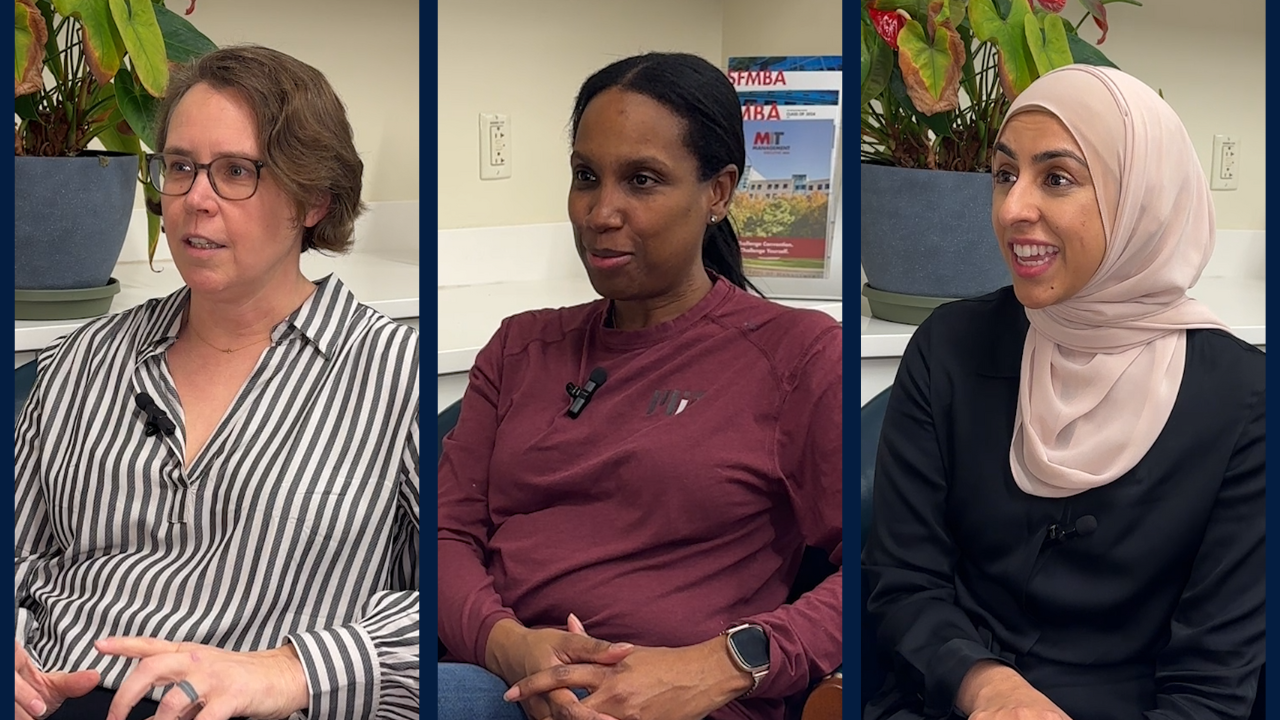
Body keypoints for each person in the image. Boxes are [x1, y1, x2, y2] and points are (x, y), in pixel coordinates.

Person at [14, 46, 420, 720]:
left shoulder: (395, 377)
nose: (195, 200)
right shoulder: (81, 362)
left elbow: (454, 604)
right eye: (180, 167)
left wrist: (291, 671)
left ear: (313, 198)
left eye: (236, 171)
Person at [437, 52, 843, 720]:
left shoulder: (796, 356)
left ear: (718, 192)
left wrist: (721, 664)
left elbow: (882, 573)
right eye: (585, 177)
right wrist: (509, 647)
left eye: (642, 180)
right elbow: (446, 535)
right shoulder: (519, 348)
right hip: (495, 684)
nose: (601, 212)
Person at [862, 65, 1265, 720]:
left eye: (1056, 178)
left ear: (1139, 199)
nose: (1012, 208)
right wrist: (987, 687)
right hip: (949, 698)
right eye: (1004, 174)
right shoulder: (951, 347)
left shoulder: (1245, 400)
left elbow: (1212, 683)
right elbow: (904, 583)